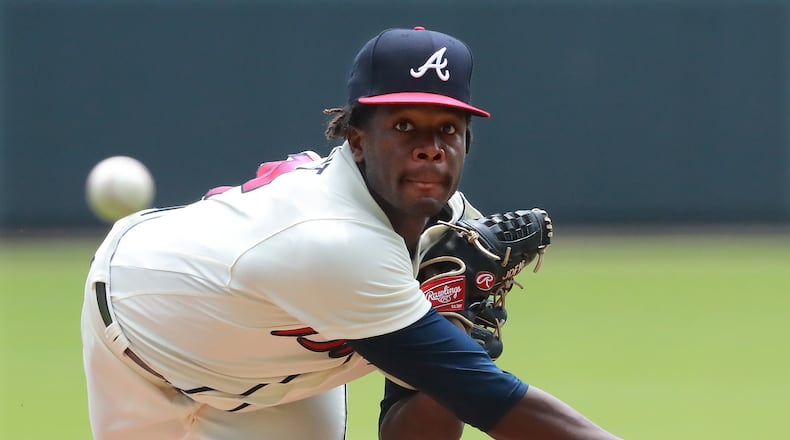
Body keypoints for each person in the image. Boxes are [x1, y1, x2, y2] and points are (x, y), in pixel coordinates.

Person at [81, 26, 620, 439]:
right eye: (404, 125)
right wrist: (460, 369)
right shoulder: (334, 241)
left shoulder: (448, 227)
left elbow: (410, 427)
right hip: (149, 341)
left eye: (447, 129)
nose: (429, 146)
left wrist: (456, 338)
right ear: (356, 139)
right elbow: (491, 403)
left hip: (275, 359)